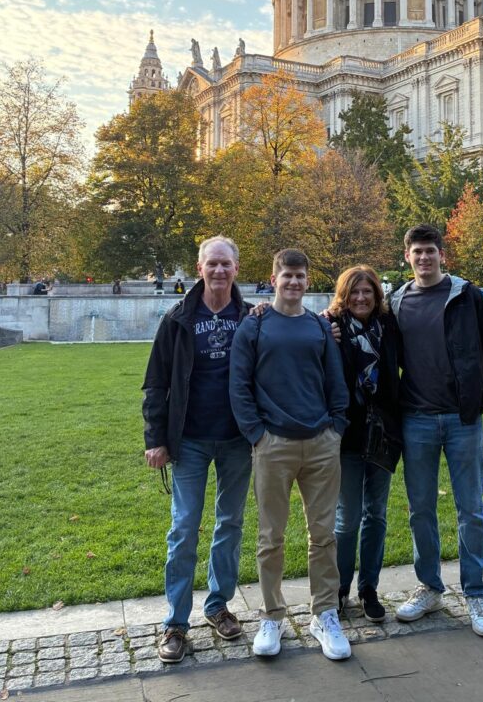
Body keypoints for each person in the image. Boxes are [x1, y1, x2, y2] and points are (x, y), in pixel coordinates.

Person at [230, 248, 351, 662]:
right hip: (273, 445)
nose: (295, 283)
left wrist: (336, 427)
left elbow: (335, 379)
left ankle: (325, 613)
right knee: (271, 537)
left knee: (323, 536)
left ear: (306, 279)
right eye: (288, 276)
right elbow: (239, 385)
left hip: (320, 442)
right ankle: (272, 615)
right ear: (274, 277)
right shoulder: (255, 325)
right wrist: (257, 435)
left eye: (301, 276)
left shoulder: (319, 326)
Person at [142, 236, 253, 664]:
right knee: (184, 528)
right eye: (212, 264)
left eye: (226, 264)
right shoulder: (177, 319)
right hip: (187, 440)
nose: (219, 271)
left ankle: (218, 605)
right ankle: (175, 621)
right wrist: (156, 438)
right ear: (199, 267)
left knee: (230, 523)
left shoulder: (251, 317)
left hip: (236, 440)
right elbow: (156, 383)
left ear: (236, 268)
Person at [391, 224, 483, 638]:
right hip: (416, 418)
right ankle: (430, 587)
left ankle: (475, 591)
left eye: (430, 251)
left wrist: (479, 401)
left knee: (470, 507)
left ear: (442, 254)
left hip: (461, 420)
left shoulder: (465, 296)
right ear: (407, 256)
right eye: (417, 252)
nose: (424, 258)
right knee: (421, 508)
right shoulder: (398, 301)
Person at [327, 266, 401, 624]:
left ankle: (368, 587)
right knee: (347, 518)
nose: (361, 298)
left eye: (367, 292)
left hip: (383, 433)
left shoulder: (388, 327)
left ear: (377, 295)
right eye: (354, 292)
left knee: (377, 514)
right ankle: (339, 588)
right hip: (347, 435)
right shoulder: (333, 329)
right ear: (344, 294)